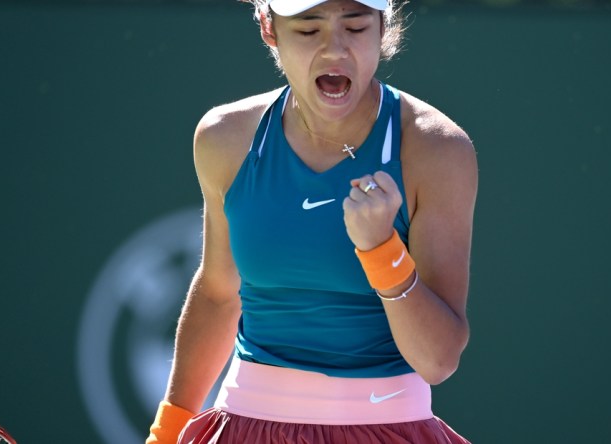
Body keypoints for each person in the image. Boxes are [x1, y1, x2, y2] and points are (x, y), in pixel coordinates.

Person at [146, 0, 477, 442]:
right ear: (269, 29)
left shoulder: (437, 150)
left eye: (356, 27)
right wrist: (166, 433)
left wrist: (381, 251)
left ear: (384, 29)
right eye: (308, 30)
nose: (335, 49)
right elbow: (219, 294)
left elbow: (437, 360)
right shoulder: (225, 138)